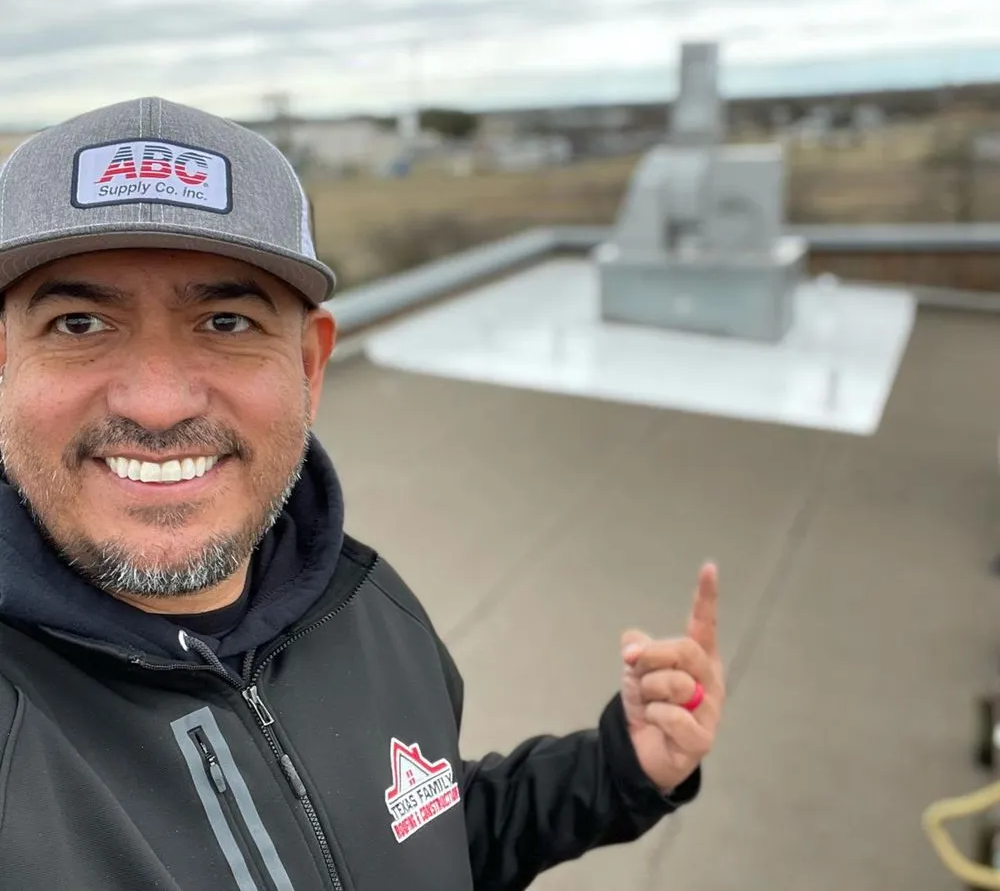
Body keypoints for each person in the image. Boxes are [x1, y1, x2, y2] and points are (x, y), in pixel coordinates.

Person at [0, 97, 725, 890]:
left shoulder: (371, 610)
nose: (158, 403)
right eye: (78, 324)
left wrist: (620, 770)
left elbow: (418, 841)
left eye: (227, 322)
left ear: (309, 368)